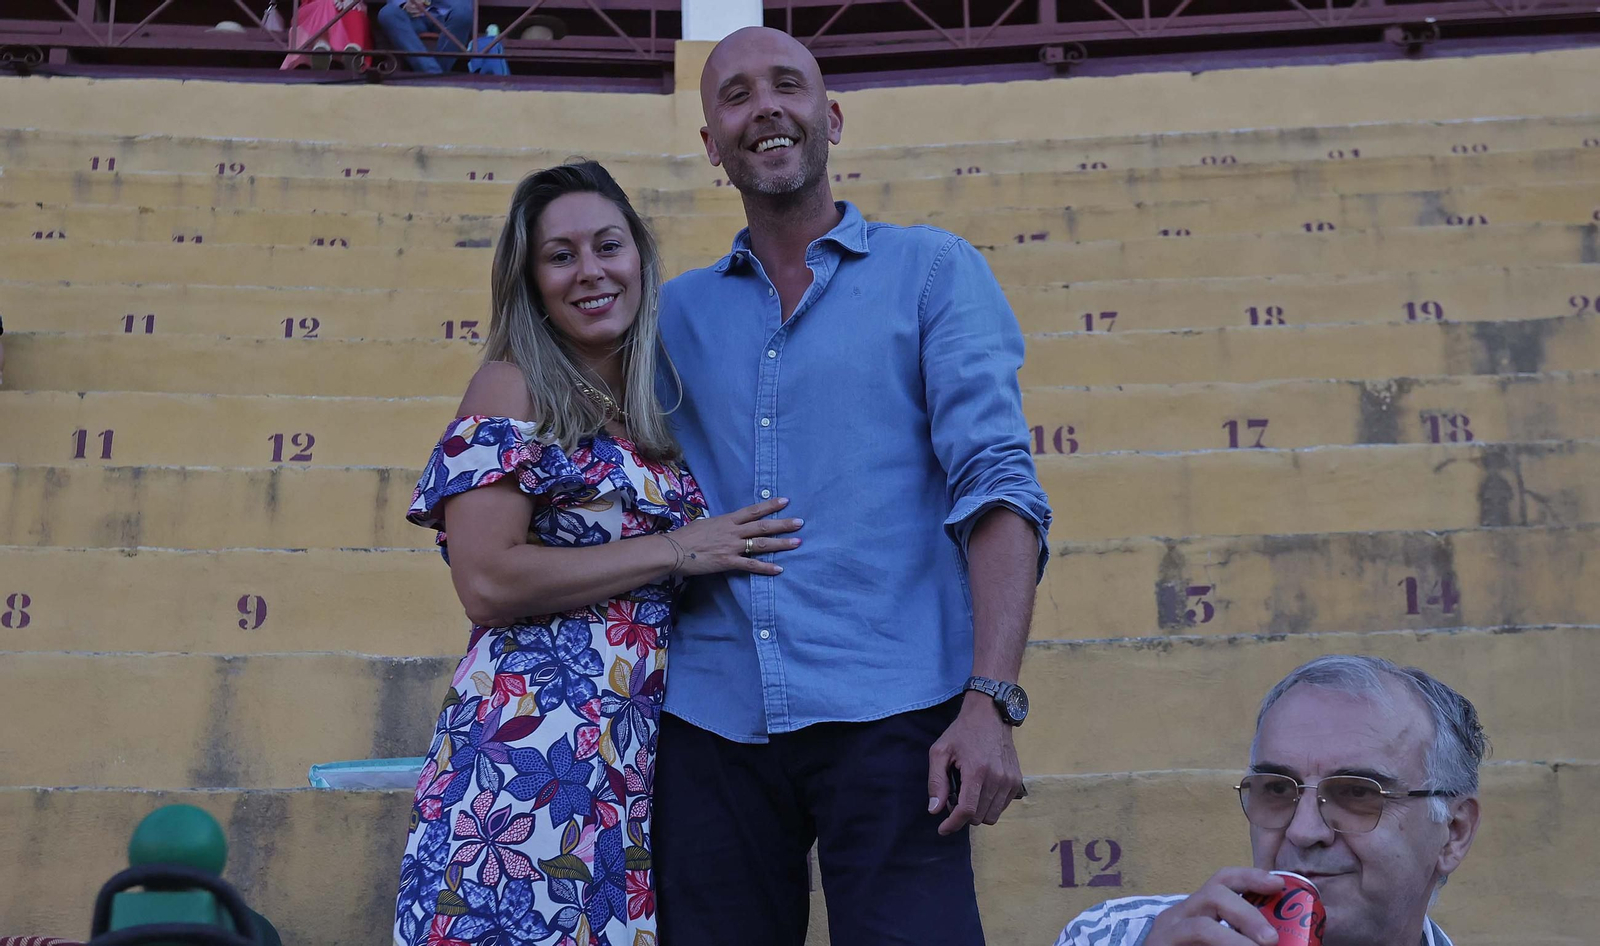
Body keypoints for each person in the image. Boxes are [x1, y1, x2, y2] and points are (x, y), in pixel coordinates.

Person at [653, 26, 1053, 945]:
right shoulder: (672, 313)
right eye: (736, 95)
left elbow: (996, 487)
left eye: (787, 85)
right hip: (711, 719)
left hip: (897, 714)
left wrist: (990, 702)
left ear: (829, 115)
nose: (766, 109)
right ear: (712, 145)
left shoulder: (934, 271)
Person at [391, 161, 804, 946]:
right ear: (531, 280)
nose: (590, 272)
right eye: (560, 255)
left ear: (641, 259)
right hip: (530, 747)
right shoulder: (512, 387)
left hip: (632, 748)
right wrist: (678, 548)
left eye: (607, 246)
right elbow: (486, 579)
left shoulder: (650, 401)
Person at [1054, 655, 1486, 946]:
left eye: (1357, 793)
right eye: (1278, 789)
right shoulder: (1116, 934)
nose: (1303, 831)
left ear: (1453, 833)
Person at [377, 0, 473, 74]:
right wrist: (404, 3)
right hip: (412, 17)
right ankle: (436, 74)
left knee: (464, 14)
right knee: (387, 13)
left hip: (447, 16)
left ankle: (431, 73)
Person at [280, 0, 372, 71]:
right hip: (312, 8)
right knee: (326, 3)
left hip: (342, 7)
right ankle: (321, 47)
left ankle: (354, 55)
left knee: (355, 10)